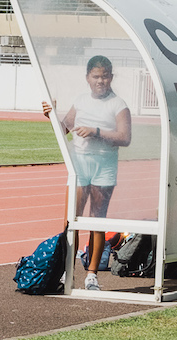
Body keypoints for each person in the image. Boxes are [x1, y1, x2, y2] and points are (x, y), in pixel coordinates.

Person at [42, 55, 131, 291]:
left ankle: (92, 275)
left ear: (111, 77)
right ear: (87, 78)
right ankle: (66, 272)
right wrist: (51, 115)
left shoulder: (118, 105)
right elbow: (64, 129)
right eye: (96, 76)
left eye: (104, 76)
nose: (100, 81)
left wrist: (96, 131)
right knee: (71, 220)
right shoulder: (80, 101)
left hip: (104, 166)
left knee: (97, 221)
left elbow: (125, 137)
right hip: (79, 165)